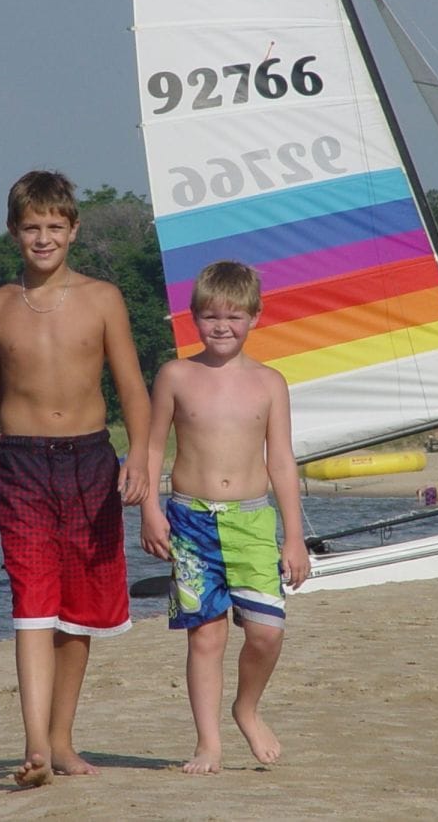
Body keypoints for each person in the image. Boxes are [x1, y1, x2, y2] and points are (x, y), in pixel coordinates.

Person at [0, 169, 151, 787]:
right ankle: (35, 746)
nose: (42, 238)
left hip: (92, 464)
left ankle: (62, 739)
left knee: (81, 611)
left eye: (53, 227)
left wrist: (142, 461)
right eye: (30, 228)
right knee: (32, 604)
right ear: (13, 232)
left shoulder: (102, 299)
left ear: (74, 229)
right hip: (19, 467)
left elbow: (131, 389)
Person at [139, 259, 310, 775]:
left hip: (253, 523)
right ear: (193, 317)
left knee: (266, 633)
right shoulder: (175, 375)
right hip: (189, 520)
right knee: (206, 635)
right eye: (211, 317)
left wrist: (295, 537)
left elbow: (280, 460)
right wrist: (148, 510)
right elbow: (150, 450)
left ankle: (247, 707)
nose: (222, 327)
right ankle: (207, 743)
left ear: (255, 317)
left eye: (234, 317)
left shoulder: (269, 382)